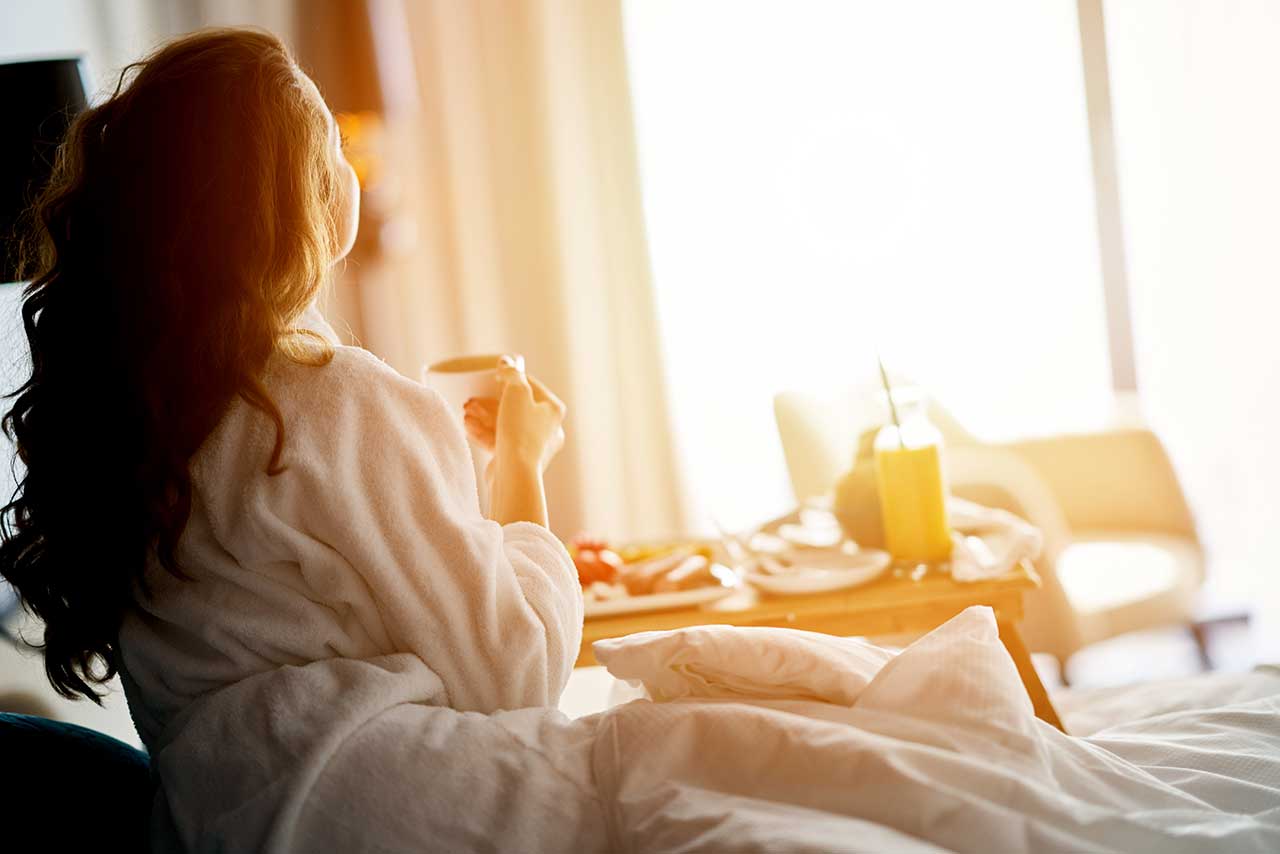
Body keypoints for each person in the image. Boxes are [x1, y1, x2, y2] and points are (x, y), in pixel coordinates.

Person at [0, 28, 597, 851]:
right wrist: (524, 472)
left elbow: (299, 603)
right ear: (296, 193)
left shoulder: (132, 426)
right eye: (336, 143)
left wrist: (454, 485)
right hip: (398, 810)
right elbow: (517, 675)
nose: (351, 167)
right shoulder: (344, 400)